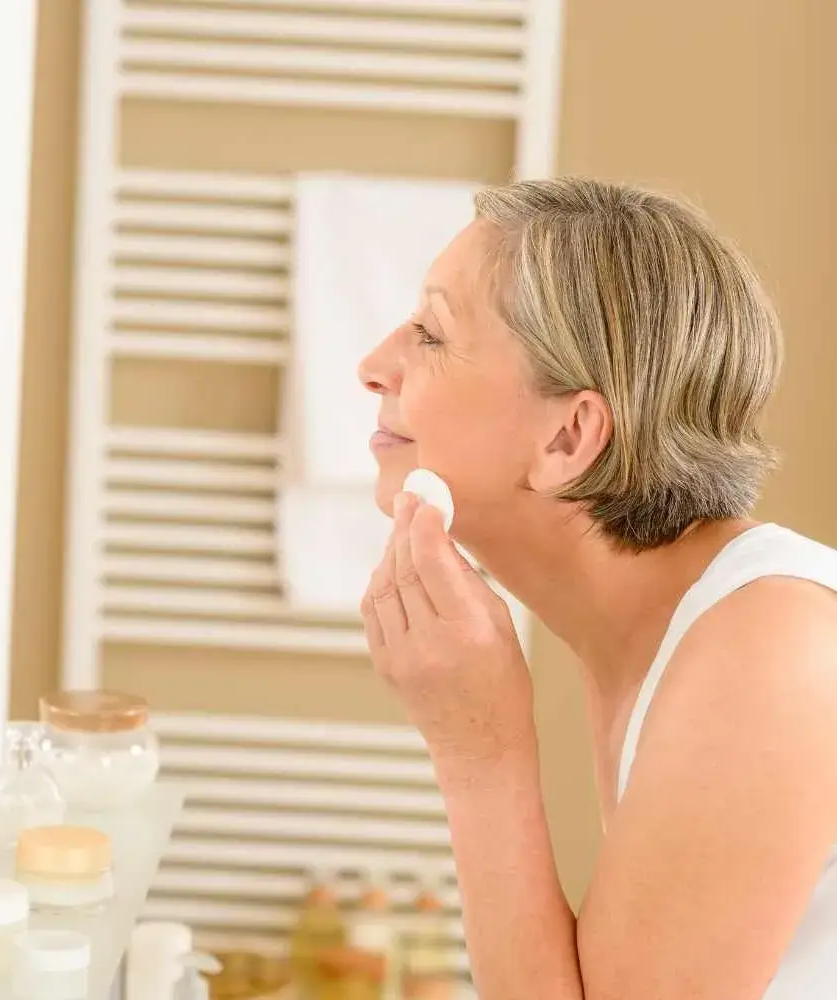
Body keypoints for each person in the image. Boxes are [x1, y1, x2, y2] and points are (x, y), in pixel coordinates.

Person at [357, 178, 837, 1000]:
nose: (373, 367)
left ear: (569, 436)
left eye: (430, 335)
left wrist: (481, 748)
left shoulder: (768, 647)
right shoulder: (665, 628)